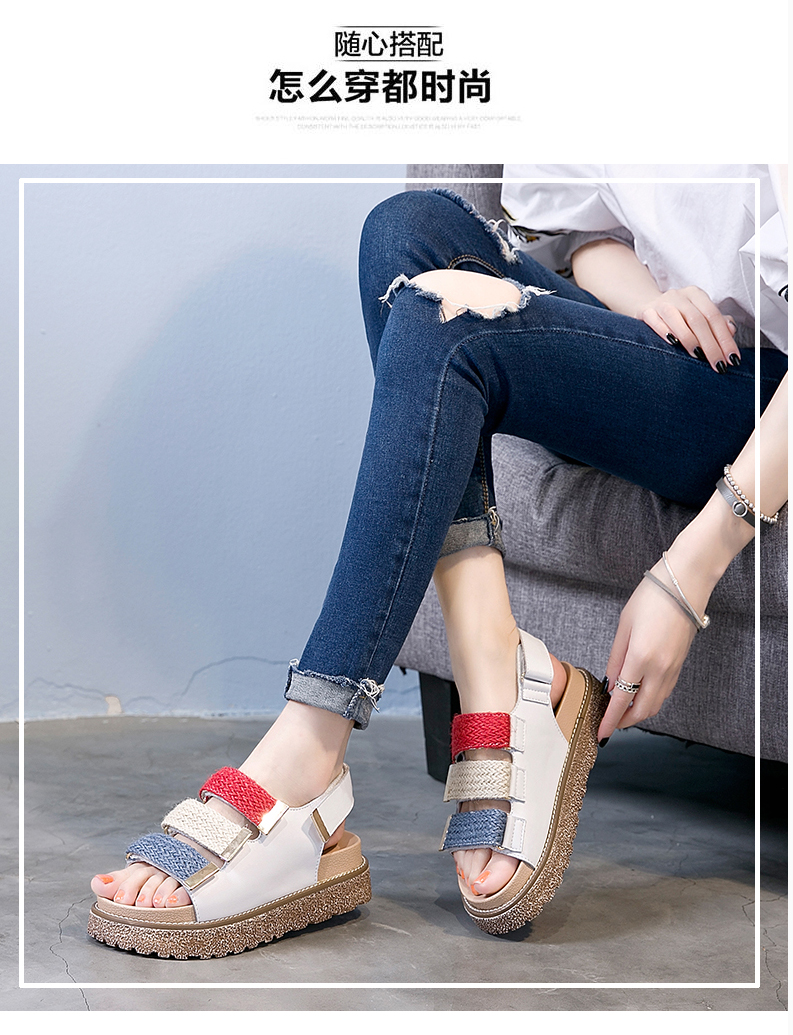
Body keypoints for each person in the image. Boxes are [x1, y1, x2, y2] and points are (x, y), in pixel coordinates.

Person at [87, 166, 788, 958]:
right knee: (404, 229)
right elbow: (589, 234)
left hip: (758, 394)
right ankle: (494, 666)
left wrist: (687, 572)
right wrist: (645, 299)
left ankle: (308, 746)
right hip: (661, 344)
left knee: (443, 321)